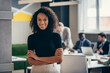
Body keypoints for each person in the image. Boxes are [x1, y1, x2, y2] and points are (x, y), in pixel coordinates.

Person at [27, 7, 63, 73]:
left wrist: (36, 58)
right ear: (36, 21)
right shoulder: (31, 38)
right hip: (36, 70)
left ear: (49, 20)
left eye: (45, 19)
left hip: (52, 70)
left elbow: (59, 59)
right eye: (39, 20)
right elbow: (31, 62)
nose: (42, 22)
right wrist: (51, 59)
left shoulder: (56, 36)